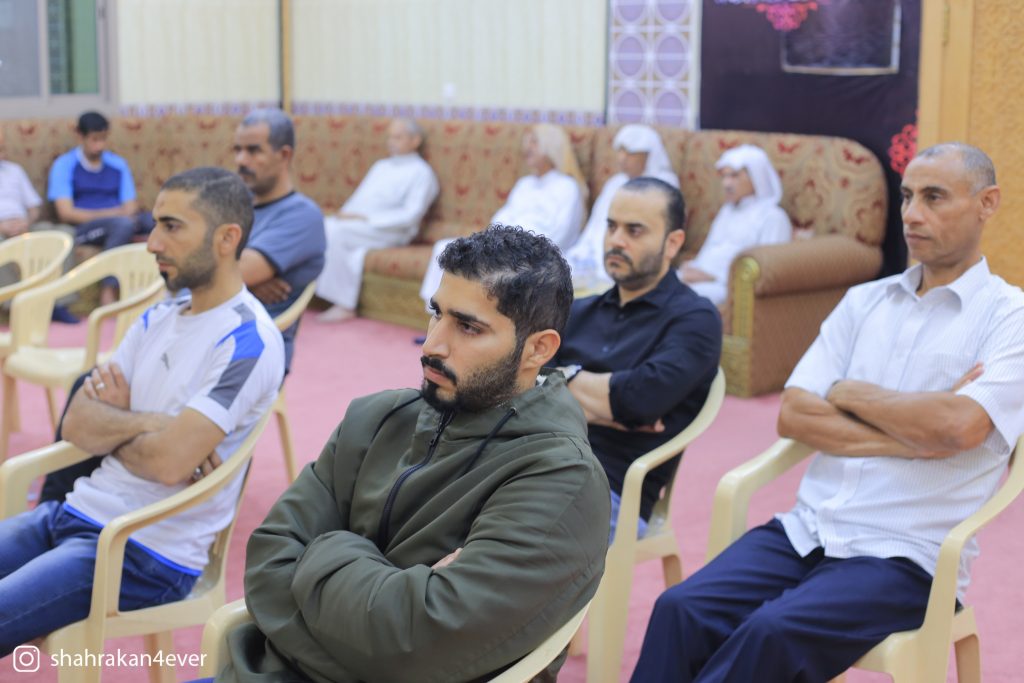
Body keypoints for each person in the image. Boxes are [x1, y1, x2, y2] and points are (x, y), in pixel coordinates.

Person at [631, 143, 1024, 682]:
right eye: (908, 196)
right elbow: (795, 414)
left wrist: (845, 391)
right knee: (680, 608)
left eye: (934, 197)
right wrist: (912, 428)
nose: (912, 214)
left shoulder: (1010, 319)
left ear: (987, 203)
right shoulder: (865, 302)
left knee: (770, 632)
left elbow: (959, 426)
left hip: (907, 556)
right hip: (809, 528)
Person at [216, 226, 610, 683]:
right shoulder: (376, 417)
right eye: (436, 314)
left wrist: (323, 549)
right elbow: (268, 560)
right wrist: (379, 606)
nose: (432, 345)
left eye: (468, 327)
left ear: (538, 348)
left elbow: (411, 645)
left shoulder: (561, 479)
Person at [0, 167, 285, 655]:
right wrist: (157, 425)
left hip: (143, 552)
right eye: (154, 224)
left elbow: (169, 463)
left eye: (171, 227)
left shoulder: (248, 340)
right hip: (72, 513)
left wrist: (122, 429)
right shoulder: (159, 315)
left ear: (227, 238)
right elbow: (77, 422)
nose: (152, 243)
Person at [551, 177, 721, 538]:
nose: (616, 240)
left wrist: (554, 386)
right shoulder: (577, 312)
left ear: (672, 242)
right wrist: (605, 404)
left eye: (634, 230)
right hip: (532, 462)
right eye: (611, 226)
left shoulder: (695, 319)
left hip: (608, 490)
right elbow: (516, 384)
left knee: (498, 535)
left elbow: (639, 400)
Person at [419, 123, 587, 306]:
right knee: (445, 248)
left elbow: (562, 234)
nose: (527, 148)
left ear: (551, 147)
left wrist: (521, 248)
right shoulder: (525, 184)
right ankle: (437, 311)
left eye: (534, 142)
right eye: (526, 142)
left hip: (533, 255)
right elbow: (500, 219)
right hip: (504, 245)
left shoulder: (567, 187)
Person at [317, 118, 439, 323]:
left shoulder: (422, 173)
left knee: (335, 231)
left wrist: (367, 219)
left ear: (415, 140)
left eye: (398, 137)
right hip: (361, 227)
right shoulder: (381, 166)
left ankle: (344, 304)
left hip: (391, 230)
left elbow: (411, 215)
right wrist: (345, 214)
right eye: (390, 137)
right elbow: (359, 198)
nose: (391, 142)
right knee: (324, 225)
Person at [233, 108, 326, 369]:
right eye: (237, 149)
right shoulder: (234, 204)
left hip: (253, 348)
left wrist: (237, 280)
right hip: (207, 329)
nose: (241, 159)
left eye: (253, 151)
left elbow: (218, 274)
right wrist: (248, 286)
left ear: (284, 155)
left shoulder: (302, 216)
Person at [47, 111, 154, 305]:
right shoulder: (64, 165)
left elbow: (131, 205)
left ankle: (167, 288)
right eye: (94, 139)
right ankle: (108, 289)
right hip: (85, 229)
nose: (100, 145)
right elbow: (66, 213)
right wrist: (113, 214)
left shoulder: (117, 164)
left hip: (122, 221)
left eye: (103, 139)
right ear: (80, 136)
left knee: (158, 221)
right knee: (122, 225)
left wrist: (121, 215)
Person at [566, 124, 678, 291]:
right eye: (620, 152)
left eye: (630, 153)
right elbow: (596, 226)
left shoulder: (663, 185)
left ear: (648, 155)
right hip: (595, 257)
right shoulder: (615, 183)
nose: (622, 158)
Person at [679, 144, 792, 306]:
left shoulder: (773, 217)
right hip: (698, 280)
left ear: (756, 177)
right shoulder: (727, 211)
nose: (726, 184)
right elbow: (710, 251)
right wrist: (692, 268)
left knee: (676, 300)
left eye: (734, 176)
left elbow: (769, 272)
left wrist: (713, 276)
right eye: (724, 176)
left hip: (729, 289)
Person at [0, 124, 43, 239]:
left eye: (2, 149)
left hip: (24, 225)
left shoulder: (14, 170)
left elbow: (34, 208)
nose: (2, 155)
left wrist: (26, 223)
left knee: (64, 233)